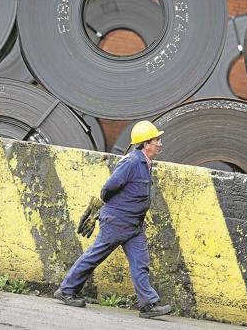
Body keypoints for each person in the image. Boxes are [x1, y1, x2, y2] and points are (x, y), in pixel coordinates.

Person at [54, 120, 173, 319]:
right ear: (145, 143)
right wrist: (108, 208)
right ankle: (66, 290)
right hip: (117, 222)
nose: (160, 143)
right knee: (94, 255)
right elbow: (109, 187)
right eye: (156, 140)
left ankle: (148, 305)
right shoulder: (132, 162)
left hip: (134, 224)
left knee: (140, 263)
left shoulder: (145, 163)